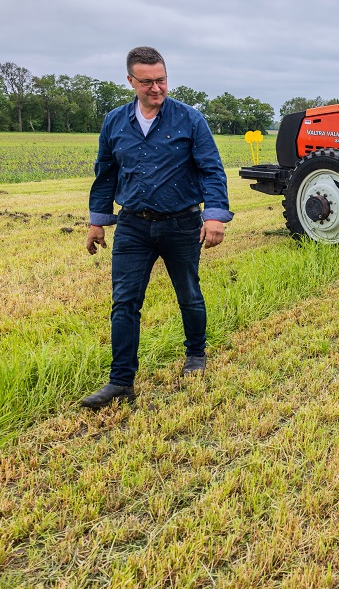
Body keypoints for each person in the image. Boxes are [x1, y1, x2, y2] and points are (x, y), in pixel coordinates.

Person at [81, 46, 233, 409]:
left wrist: (214, 215)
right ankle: (121, 381)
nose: (156, 88)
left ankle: (195, 355)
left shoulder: (190, 120)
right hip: (133, 225)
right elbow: (106, 174)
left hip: (181, 223)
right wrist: (97, 221)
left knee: (189, 294)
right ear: (130, 81)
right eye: (147, 81)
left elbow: (212, 169)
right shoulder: (115, 122)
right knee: (125, 303)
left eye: (161, 79)